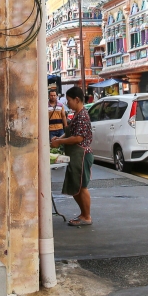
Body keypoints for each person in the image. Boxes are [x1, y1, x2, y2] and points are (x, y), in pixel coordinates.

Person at [51, 86, 93, 226]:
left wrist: (60, 142)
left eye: (69, 100)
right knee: (76, 187)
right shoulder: (76, 114)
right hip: (74, 155)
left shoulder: (82, 116)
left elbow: (78, 138)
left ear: (77, 99)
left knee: (82, 187)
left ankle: (86, 216)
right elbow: (70, 133)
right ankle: (83, 214)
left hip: (81, 155)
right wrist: (59, 139)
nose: (67, 103)